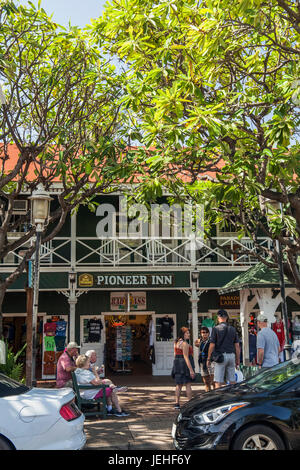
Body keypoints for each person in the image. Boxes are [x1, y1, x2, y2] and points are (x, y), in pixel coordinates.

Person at [207, 309, 240, 389]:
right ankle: (232, 398)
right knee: (232, 380)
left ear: (218, 318)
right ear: (226, 318)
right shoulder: (232, 329)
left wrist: (208, 358)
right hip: (231, 355)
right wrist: (237, 360)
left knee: (218, 381)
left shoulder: (216, 329)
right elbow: (237, 346)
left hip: (220, 357)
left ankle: (219, 398)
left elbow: (212, 345)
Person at [171, 327, 195, 410]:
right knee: (188, 384)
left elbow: (175, 354)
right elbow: (186, 357)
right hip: (184, 365)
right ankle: (190, 404)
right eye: (187, 333)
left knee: (179, 385)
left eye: (189, 333)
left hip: (177, 363)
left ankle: (177, 403)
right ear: (183, 334)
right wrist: (191, 370)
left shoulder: (176, 342)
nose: (189, 334)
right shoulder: (184, 344)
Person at [195, 326, 215, 392]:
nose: (205, 334)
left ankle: (215, 392)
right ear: (201, 333)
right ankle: (208, 392)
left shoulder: (211, 340)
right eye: (203, 332)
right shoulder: (199, 341)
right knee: (206, 380)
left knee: (213, 379)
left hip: (211, 361)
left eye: (206, 332)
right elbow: (196, 343)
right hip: (202, 361)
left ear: (209, 333)